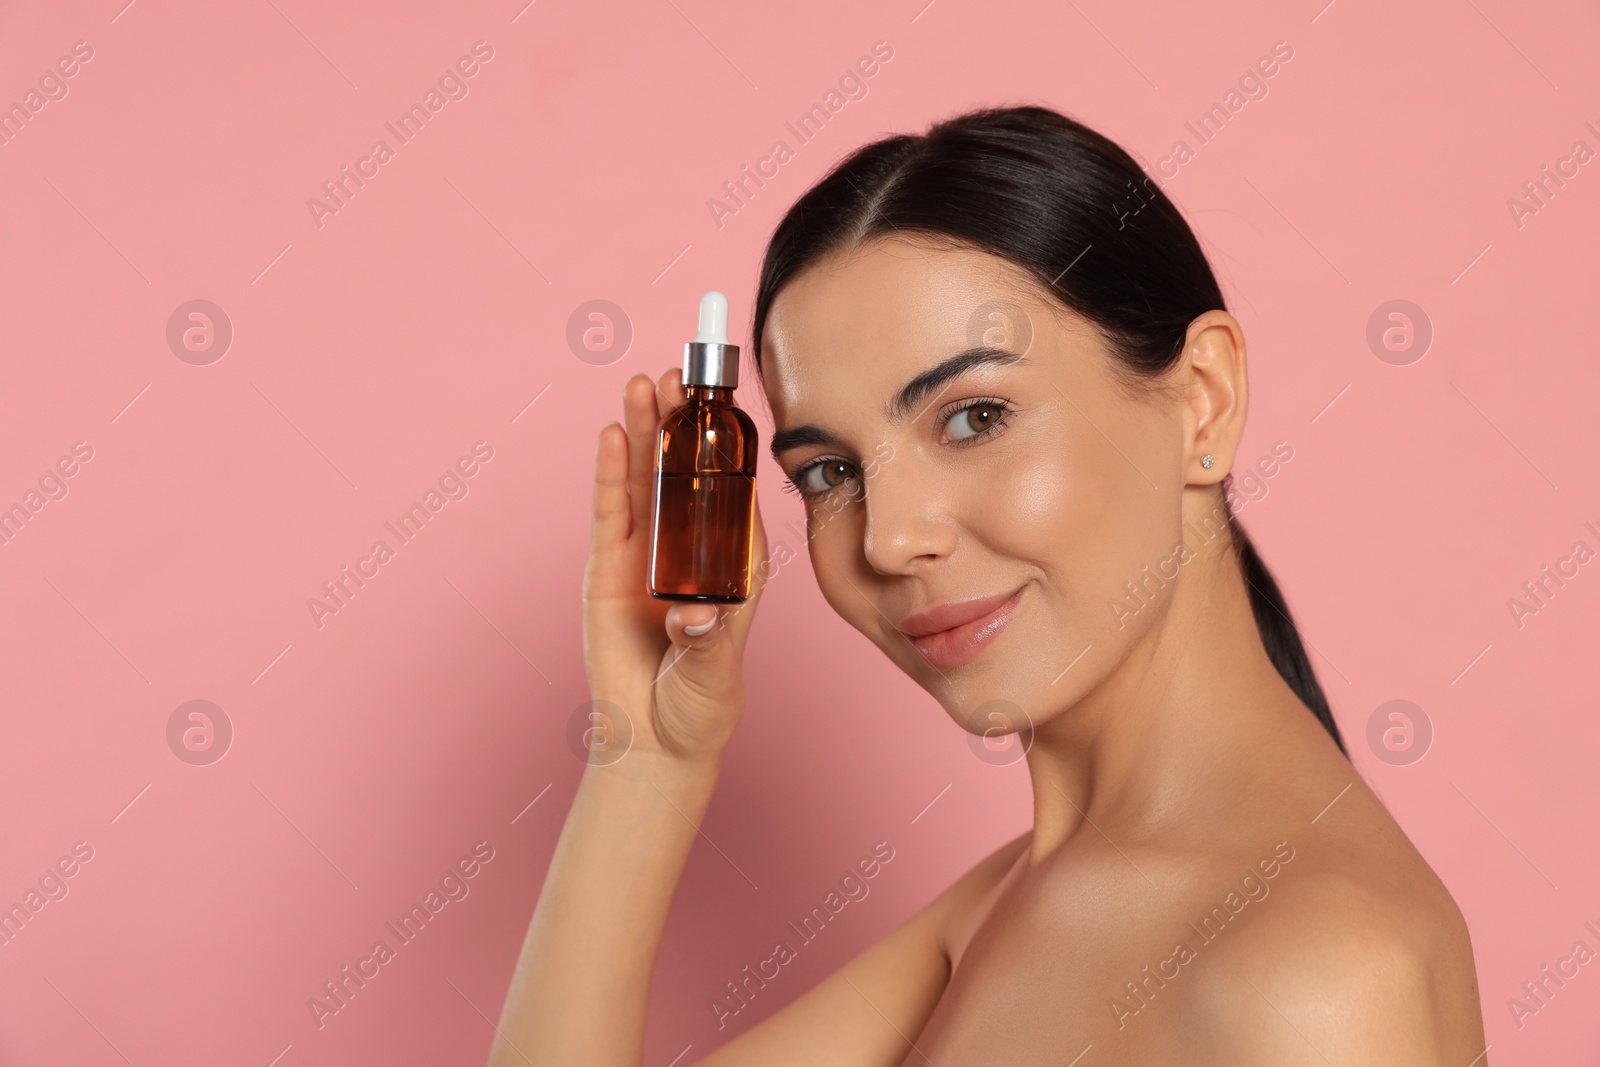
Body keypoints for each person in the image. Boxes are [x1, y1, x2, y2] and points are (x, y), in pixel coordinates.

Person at [487, 105, 1488, 1065]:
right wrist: (649, 757)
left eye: (971, 418)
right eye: (829, 472)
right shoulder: (1020, 899)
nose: (888, 537)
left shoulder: (1318, 972)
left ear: (1203, 400)